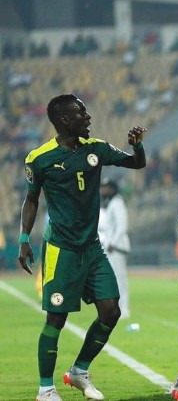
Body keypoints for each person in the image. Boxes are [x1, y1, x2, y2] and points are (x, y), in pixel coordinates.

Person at [18, 94, 146, 401]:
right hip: (62, 249)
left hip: (92, 247)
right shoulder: (40, 159)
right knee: (56, 318)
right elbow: (32, 199)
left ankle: (79, 370)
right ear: (64, 120)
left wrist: (136, 145)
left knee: (111, 310)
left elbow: (136, 163)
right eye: (81, 114)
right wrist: (24, 239)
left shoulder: (96, 149)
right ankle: (45, 389)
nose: (88, 118)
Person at [98, 178, 131, 319]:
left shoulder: (117, 202)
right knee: (113, 280)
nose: (102, 190)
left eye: (105, 187)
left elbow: (122, 226)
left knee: (119, 279)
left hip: (116, 247)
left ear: (112, 188)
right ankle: (117, 308)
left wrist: (113, 243)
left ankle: (124, 309)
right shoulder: (111, 203)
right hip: (111, 246)